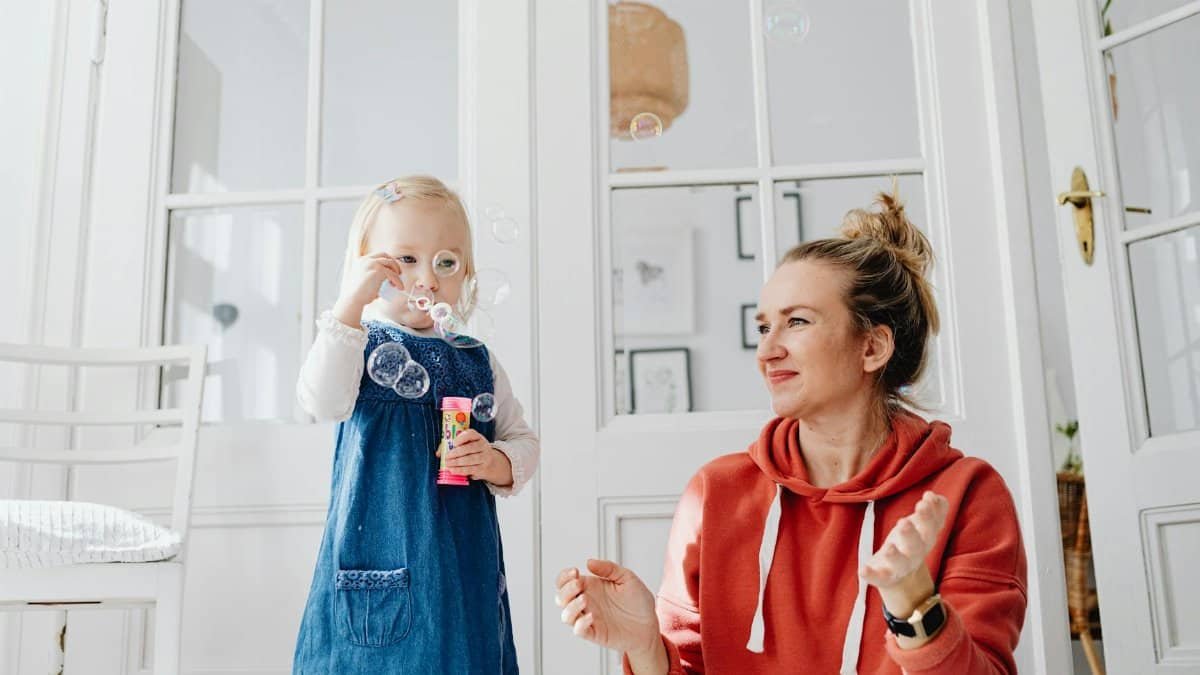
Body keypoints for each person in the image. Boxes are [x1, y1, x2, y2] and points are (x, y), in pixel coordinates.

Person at [555, 191, 1027, 674]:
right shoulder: (715, 493)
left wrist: (913, 604)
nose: (767, 351)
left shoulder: (967, 495)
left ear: (873, 346)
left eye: (796, 322)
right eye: (763, 328)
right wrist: (646, 646)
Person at [293, 175, 537, 673]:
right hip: (379, 559)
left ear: (465, 271)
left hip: (463, 565)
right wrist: (349, 307)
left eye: (445, 262)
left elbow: (524, 442)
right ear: (368, 263)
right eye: (405, 260)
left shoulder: (476, 360)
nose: (426, 279)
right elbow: (321, 399)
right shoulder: (354, 341)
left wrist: (495, 461)